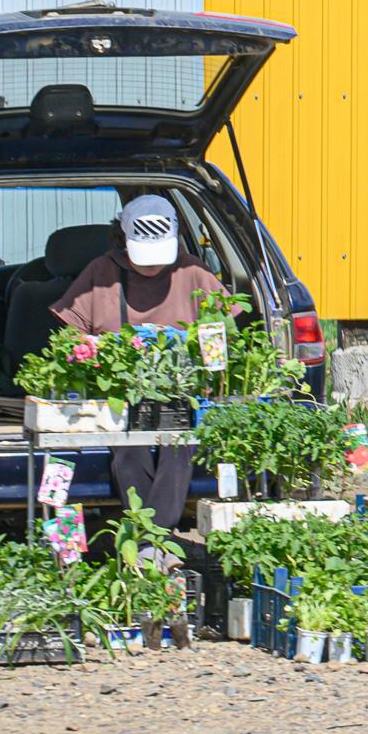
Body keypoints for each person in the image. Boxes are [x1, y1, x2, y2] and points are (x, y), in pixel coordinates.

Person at [50, 195, 225, 530]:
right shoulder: (102, 272)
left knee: (179, 445)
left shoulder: (194, 273)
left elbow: (220, 333)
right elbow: (70, 339)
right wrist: (92, 348)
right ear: (122, 239)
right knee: (129, 448)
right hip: (120, 395)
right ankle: (155, 540)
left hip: (182, 395)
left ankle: (148, 539)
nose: (151, 268)